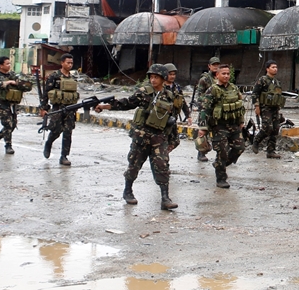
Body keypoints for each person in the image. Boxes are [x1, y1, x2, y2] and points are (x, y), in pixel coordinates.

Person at [96, 63, 188, 210]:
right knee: (134, 164)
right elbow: (127, 103)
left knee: (162, 166)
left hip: (159, 138)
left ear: (163, 78)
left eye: (156, 77)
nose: (153, 80)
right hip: (142, 137)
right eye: (151, 77)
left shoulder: (170, 96)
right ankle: (128, 191)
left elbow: (171, 119)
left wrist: (173, 139)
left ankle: (165, 198)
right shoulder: (144, 92)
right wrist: (106, 106)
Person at [197, 63, 245, 188]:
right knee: (222, 152)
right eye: (223, 73)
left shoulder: (234, 88)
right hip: (219, 126)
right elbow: (205, 109)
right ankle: (221, 179)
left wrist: (241, 121)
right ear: (217, 75)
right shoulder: (212, 90)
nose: (226, 76)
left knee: (239, 148)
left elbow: (239, 106)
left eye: (228, 74)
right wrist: (203, 128)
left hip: (233, 125)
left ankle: (219, 164)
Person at [40, 54, 79, 166]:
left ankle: (64, 156)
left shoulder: (73, 78)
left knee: (68, 133)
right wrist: (43, 108)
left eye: (71, 63)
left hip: (70, 110)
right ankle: (49, 143)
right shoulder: (54, 76)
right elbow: (46, 93)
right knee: (56, 130)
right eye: (68, 62)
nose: (70, 65)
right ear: (62, 63)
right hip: (58, 108)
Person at [0, 56, 31, 155]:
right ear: (1, 65)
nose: (9, 65)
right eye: (7, 64)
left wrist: (20, 83)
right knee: (7, 124)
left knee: (13, 125)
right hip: (2, 103)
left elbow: (23, 85)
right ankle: (8, 146)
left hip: (13, 104)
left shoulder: (13, 74)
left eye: (10, 63)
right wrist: (8, 82)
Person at [251, 60, 286, 159]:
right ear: (267, 69)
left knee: (275, 129)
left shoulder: (277, 82)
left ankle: (271, 151)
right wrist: (257, 106)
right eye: (273, 67)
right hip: (265, 108)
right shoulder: (262, 80)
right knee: (267, 127)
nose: (275, 69)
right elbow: (255, 93)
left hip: (274, 108)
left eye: (276, 67)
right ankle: (256, 141)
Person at [193, 56, 221, 162]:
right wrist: (207, 102)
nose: (216, 67)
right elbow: (199, 95)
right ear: (209, 66)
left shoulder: (220, 78)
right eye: (214, 65)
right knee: (203, 132)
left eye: (217, 65)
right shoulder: (204, 79)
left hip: (218, 111)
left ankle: (221, 154)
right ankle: (201, 153)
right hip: (206, 110)